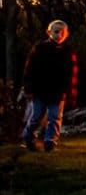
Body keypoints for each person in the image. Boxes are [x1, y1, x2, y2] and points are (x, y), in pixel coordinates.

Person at [21, 20, 77, 152]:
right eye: (56, 32)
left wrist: (71, 93)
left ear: (66, 34)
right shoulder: (40, 49)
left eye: (62, 32)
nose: (59, 35)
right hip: (40, 91)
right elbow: (29, 70)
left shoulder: (68, 52)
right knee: (36, 117)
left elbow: (72, 74)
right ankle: (28, 137)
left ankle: (50, 142)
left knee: (55, 117)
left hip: (58, 92)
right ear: (49, 32)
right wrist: (28, 88)